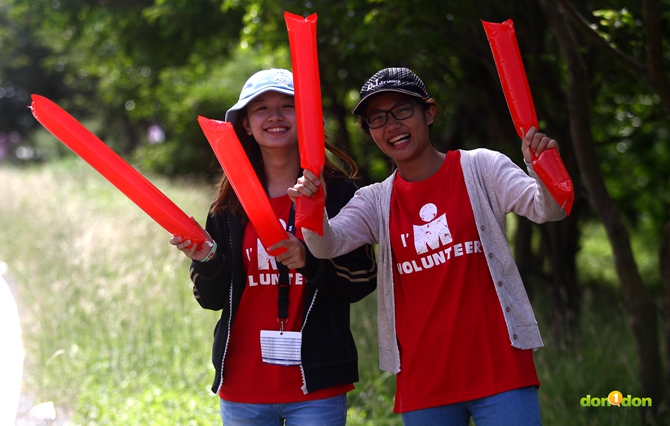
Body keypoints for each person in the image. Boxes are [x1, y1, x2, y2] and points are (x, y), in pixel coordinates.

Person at [289, 67, 567, 426]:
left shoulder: (482, 167)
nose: (392, 126)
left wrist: (542, 165)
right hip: (424, 379)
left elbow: (550, 209)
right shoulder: (375, 200)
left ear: (429, 113)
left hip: (501, 368)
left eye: (403, 110)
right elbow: (327, 245)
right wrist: (312, 206)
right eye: (378, 118)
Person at [170, 68, 377, 425]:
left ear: (306, 119)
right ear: (246, 124)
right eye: (261, 108)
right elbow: (211, 299)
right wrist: (207, 261)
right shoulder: (229, 206)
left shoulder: (340, 194)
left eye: (287, 105)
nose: (275, 116)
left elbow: (361, 280)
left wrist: (309, 260)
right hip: (243, 387)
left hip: (316, 387)